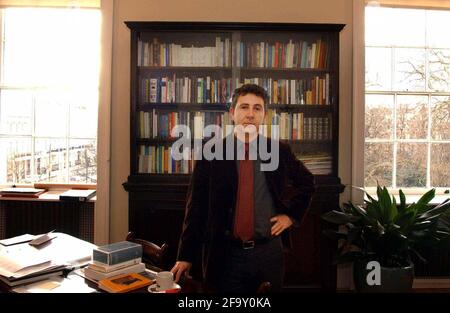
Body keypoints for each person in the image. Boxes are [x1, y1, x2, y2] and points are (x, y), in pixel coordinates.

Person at [171, 83, 315, 293]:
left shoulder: (278, 150)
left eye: (257, 108)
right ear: (232, 113)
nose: (250, 114)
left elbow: (307, 183)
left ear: (264, 115)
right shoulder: (211, 153)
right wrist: (185, 256)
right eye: (244, 107)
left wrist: (291, 216)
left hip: (268, 253)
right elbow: (196, 208)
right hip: (224, 255)